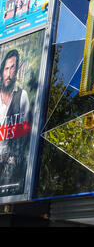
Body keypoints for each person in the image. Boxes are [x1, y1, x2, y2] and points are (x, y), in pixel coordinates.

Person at [0, 49, 30, 190]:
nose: (9, 73)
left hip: (12, 171)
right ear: (2, 71)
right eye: (7, 68)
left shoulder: (22, 95)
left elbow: (27, 134)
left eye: (13, 68)